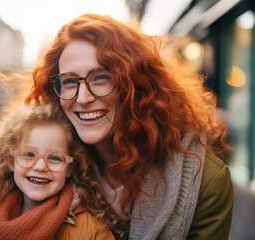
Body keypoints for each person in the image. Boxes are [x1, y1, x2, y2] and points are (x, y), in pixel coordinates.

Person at [24, 14, 234, 239]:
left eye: (101, 77)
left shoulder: (205, 183)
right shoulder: (38, 163)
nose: (83, 98)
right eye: (68, 81)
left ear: (136, 84)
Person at [0, 103, 116, 239]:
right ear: (10, 161)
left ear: (70, 168)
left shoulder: (92, 232)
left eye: (55, 158)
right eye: (29, 154)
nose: (40, 166)